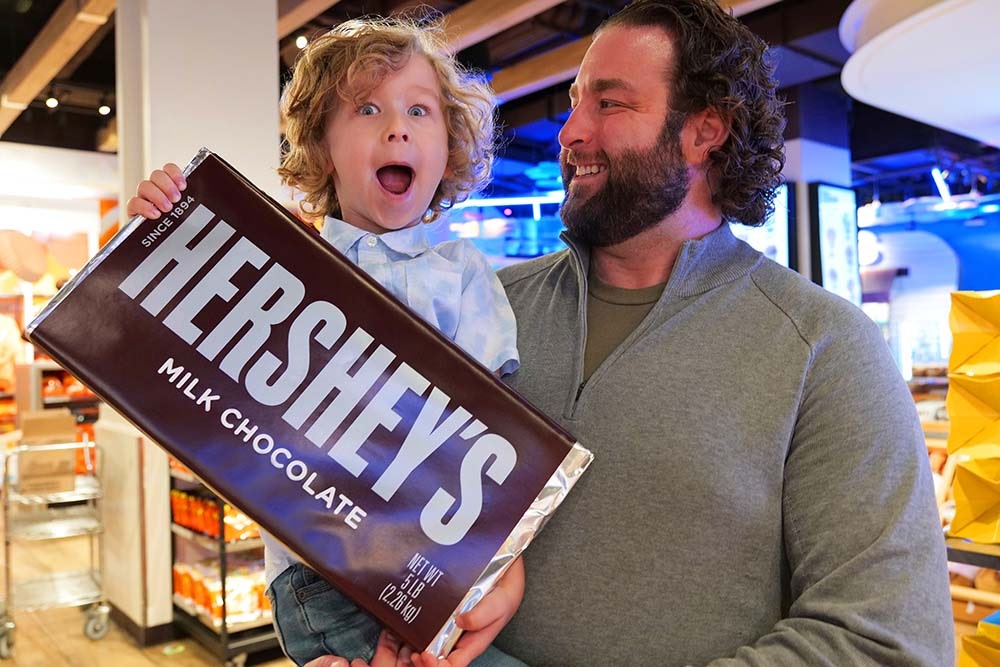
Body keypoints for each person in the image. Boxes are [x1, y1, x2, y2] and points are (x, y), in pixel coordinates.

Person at [310, 0, 954, 665]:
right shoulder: (484, 309)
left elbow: (886, 640)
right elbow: (356, 493)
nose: (569, 132)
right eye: (574, 101)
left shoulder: (825, 347)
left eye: (609, 105)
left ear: (704, 131)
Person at [125, 16, 527, 667]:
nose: (397, 126)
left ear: (448, 145)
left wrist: (500, 562)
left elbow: (496, 437)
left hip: (424, 558)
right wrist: (159, 231)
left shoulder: (464, 276)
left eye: (419, 109)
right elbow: (177, 343)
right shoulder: (279, 258)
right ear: (320, 143)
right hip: (320, 574)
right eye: (367, 107)